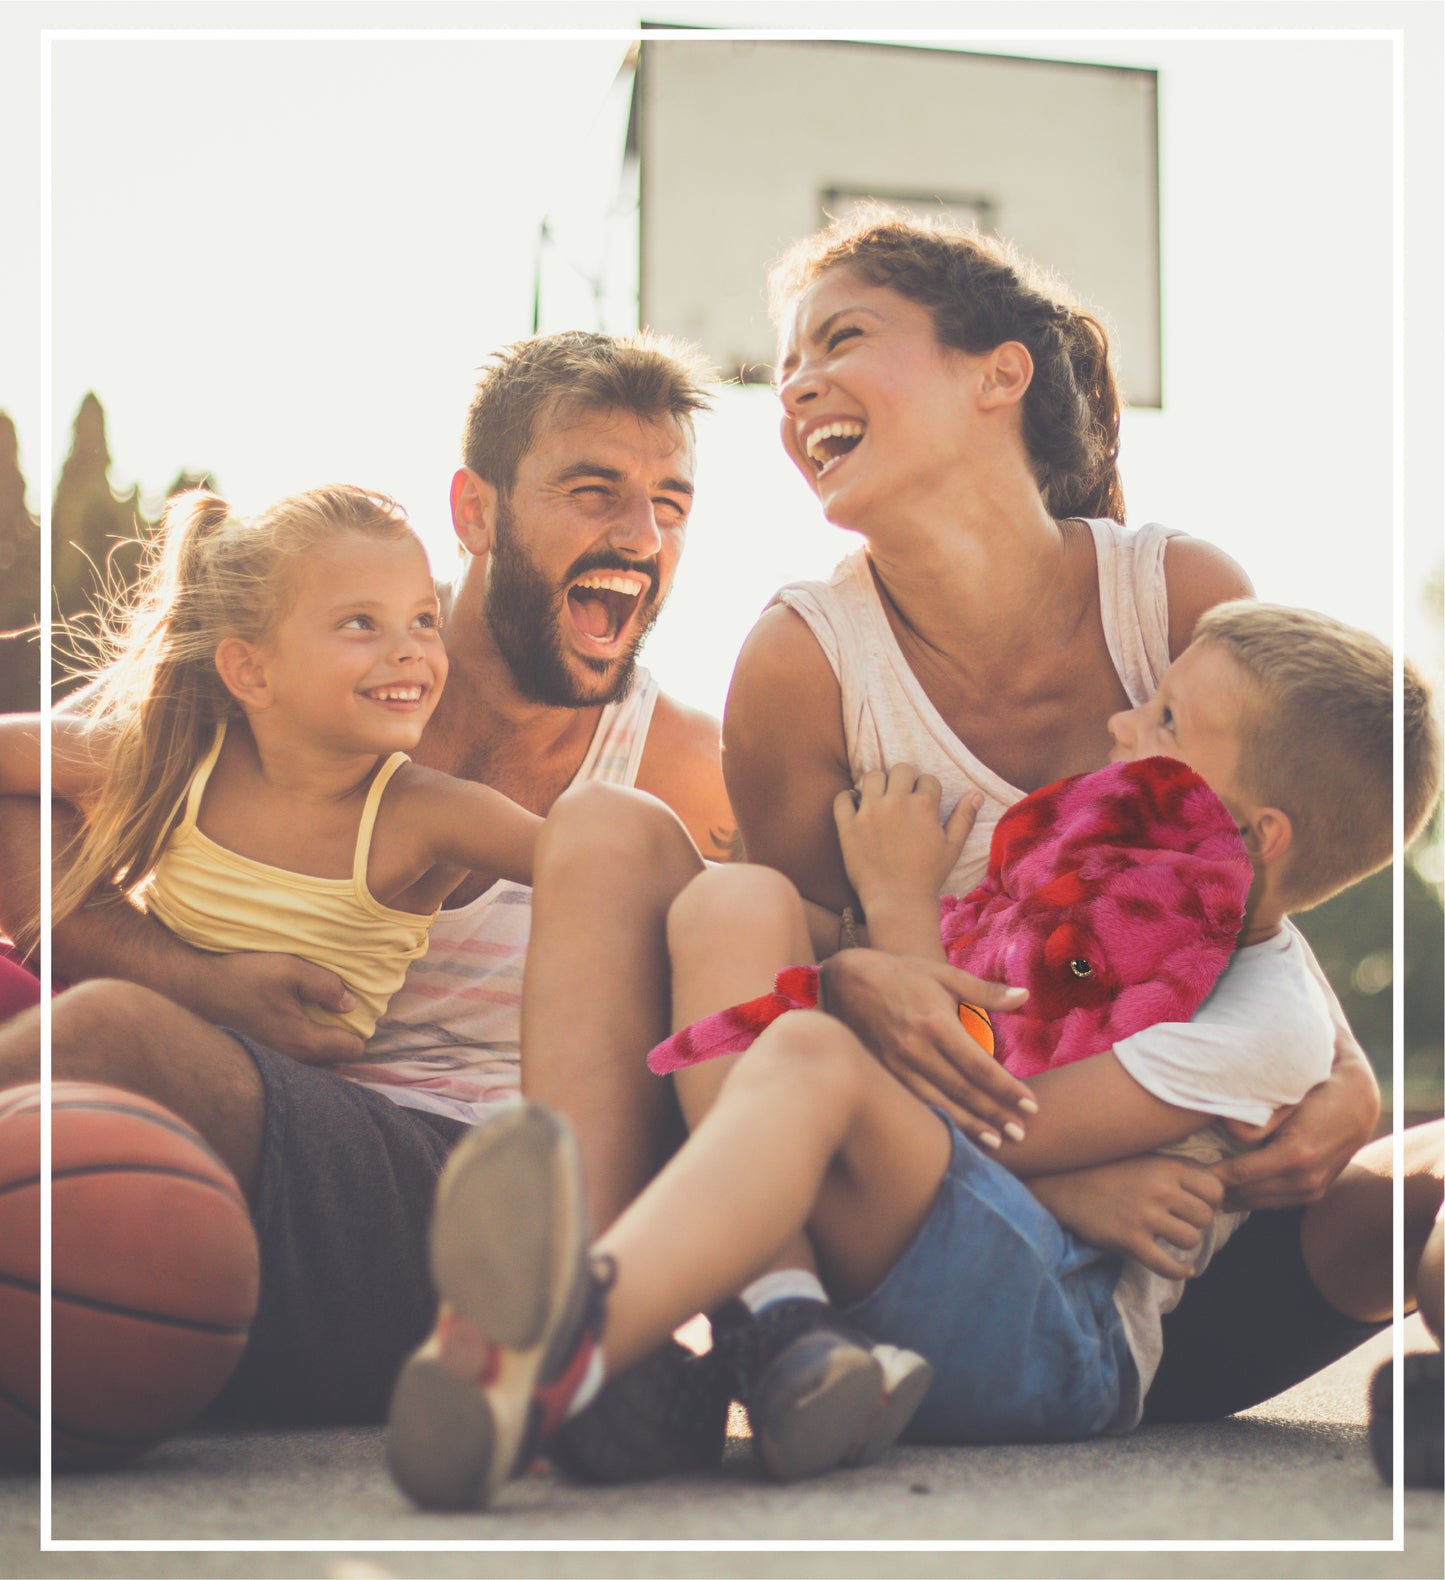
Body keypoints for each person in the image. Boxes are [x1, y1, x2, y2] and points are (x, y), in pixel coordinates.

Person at [384, 601, 1441, 1509]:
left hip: (1053, 1336)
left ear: (1251, 835)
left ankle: (560, 1344)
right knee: (733, 901)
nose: (1122, 724)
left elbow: (983, 1112)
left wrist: (897, 908)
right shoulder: (1082, 888)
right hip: (948, 1251)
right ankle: (768, 1324)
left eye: (1164, 720)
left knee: (810, 1057)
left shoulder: (1264, 1018)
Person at [0, 330, 735, 1445]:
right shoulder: (313, 672)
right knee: (101, 1042)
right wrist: (197, 980)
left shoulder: (682, 764)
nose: (640, 535)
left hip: (478, 1191)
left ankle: (543, 1343)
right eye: (595, 491)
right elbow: (34, 780)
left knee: (106, 1038)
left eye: (670, 504)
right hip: (267, 1138)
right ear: (476, 511)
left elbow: (771, 960)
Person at [0, 484, 545, 1056]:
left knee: (91, 1027)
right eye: (361, 622)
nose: (411, 649)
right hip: (113, 1030)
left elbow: (585, 858)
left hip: (252, 1085)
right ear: (251, 672)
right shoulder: (185, 762)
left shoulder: (435, 813)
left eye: (424, 619)